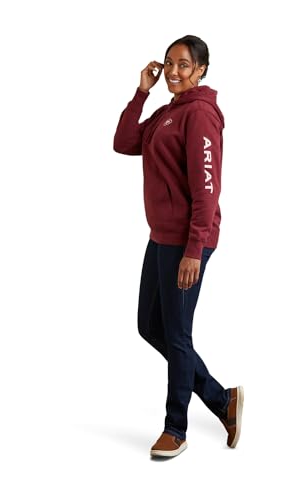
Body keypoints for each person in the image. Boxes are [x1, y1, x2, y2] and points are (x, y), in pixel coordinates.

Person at [113, 35, 243, 458]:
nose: (172, 71)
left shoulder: (200, 114)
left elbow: (207, 188)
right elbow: (124, 142)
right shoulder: (168, 112)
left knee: (177, 334)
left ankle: (176, 429)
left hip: (188, 241)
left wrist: (194, 249)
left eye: (183, 64)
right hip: (161, 236)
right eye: (169, 62)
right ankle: (222, 399)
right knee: (150, 326)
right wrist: (141, 93)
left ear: (201, 70)